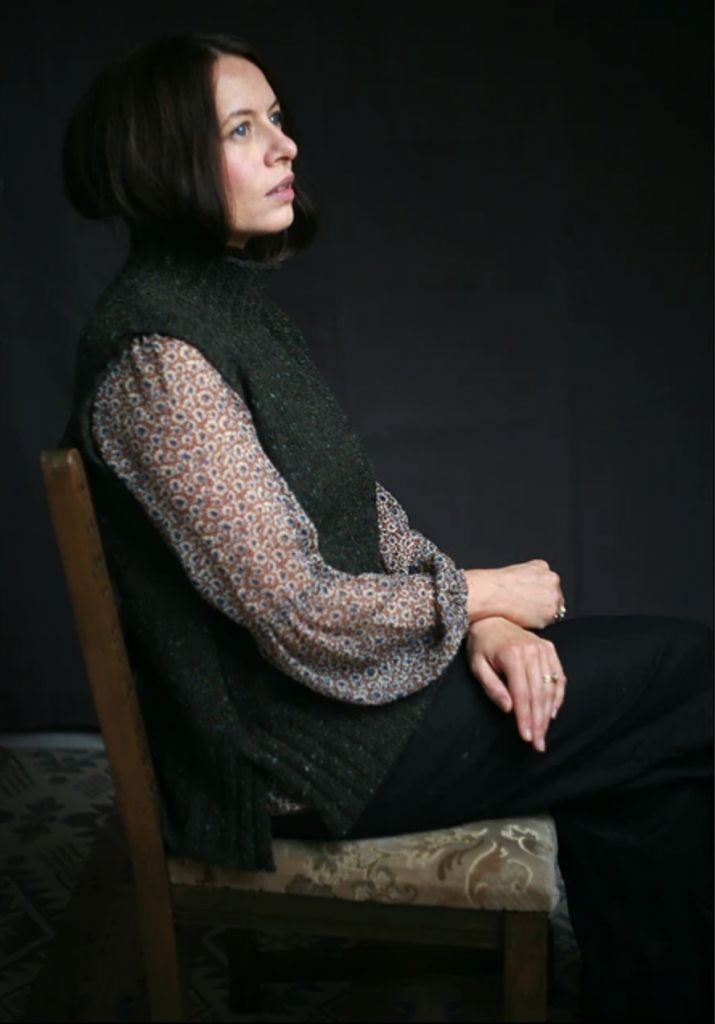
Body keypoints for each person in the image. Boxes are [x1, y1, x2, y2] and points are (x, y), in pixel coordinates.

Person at [60, 31, 712, 1023]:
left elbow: (365, 518)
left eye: (278, 119)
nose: (284, 145)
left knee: (638, 741)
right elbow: (299, 612)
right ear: (161, 161)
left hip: (350, 700)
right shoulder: (162, 364)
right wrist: (484, 593)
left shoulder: (229, 310)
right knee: (684, 681)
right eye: (242, 128)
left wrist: (480, 624)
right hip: (293, 753)